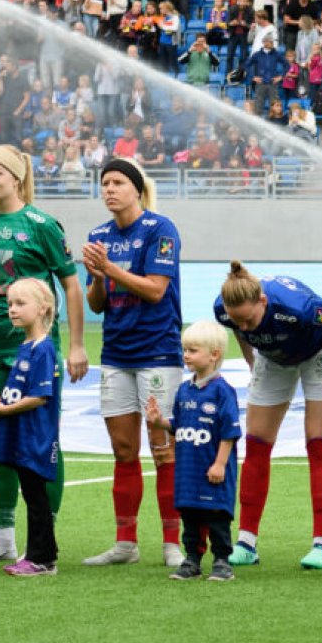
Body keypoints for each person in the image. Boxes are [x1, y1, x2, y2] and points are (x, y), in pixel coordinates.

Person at [0, 145, 88, 565]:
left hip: (33, 351)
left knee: (41, 440)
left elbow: (70, 284)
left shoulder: (42, 225)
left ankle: (42, 536)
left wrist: (74, 344)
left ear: (16, 177)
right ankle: (3, 537)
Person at [81, 158, 187, 568]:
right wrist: (95, 276)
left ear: (137, 190)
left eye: (118, 182)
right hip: (116, 354)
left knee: (164, 450)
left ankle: (172, 543)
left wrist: (109, 267)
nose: (109, 189)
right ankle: (125, 543)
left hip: (157, 352)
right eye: (104, 183)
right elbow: (97, 303)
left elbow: (156, 291)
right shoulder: (99, 234)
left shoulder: (161, 229)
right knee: (123, 450)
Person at [214, 263, 322, 569]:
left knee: (318, 440)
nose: (243, 327)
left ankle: (321, 545)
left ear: (263, 303)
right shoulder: (223, 309)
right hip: (273, 359)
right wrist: (252, 364)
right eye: (236, 321)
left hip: (319, 351)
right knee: (256, 442)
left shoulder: (302, 310)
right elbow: (241, 334)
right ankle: (246, 542)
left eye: (248, 319)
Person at [146, 321, 240, 583]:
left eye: (193, 350)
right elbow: (178, 425)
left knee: (216, 517)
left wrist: (220, 464)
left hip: (213, 471)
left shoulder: (223, 391)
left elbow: (229, 432)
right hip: (188, 471)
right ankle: (192, 560)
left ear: (214, 354)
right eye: (185, 349)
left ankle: (222, 561)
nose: (186, 355)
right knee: (190, 515)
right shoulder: (184, 390)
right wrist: (159, 422)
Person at [0, 279, 63, 577]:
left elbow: (39, 397)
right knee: (31, 493)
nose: (12, 310)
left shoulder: (43, 349)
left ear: (43, 308)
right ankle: (42, 554)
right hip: (21, 433)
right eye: (10, 304)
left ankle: (42, 559)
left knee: (35, 494)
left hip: (35, 436)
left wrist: (7, 409)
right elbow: (20, 390)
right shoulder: (26, 346)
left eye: (20, 304)